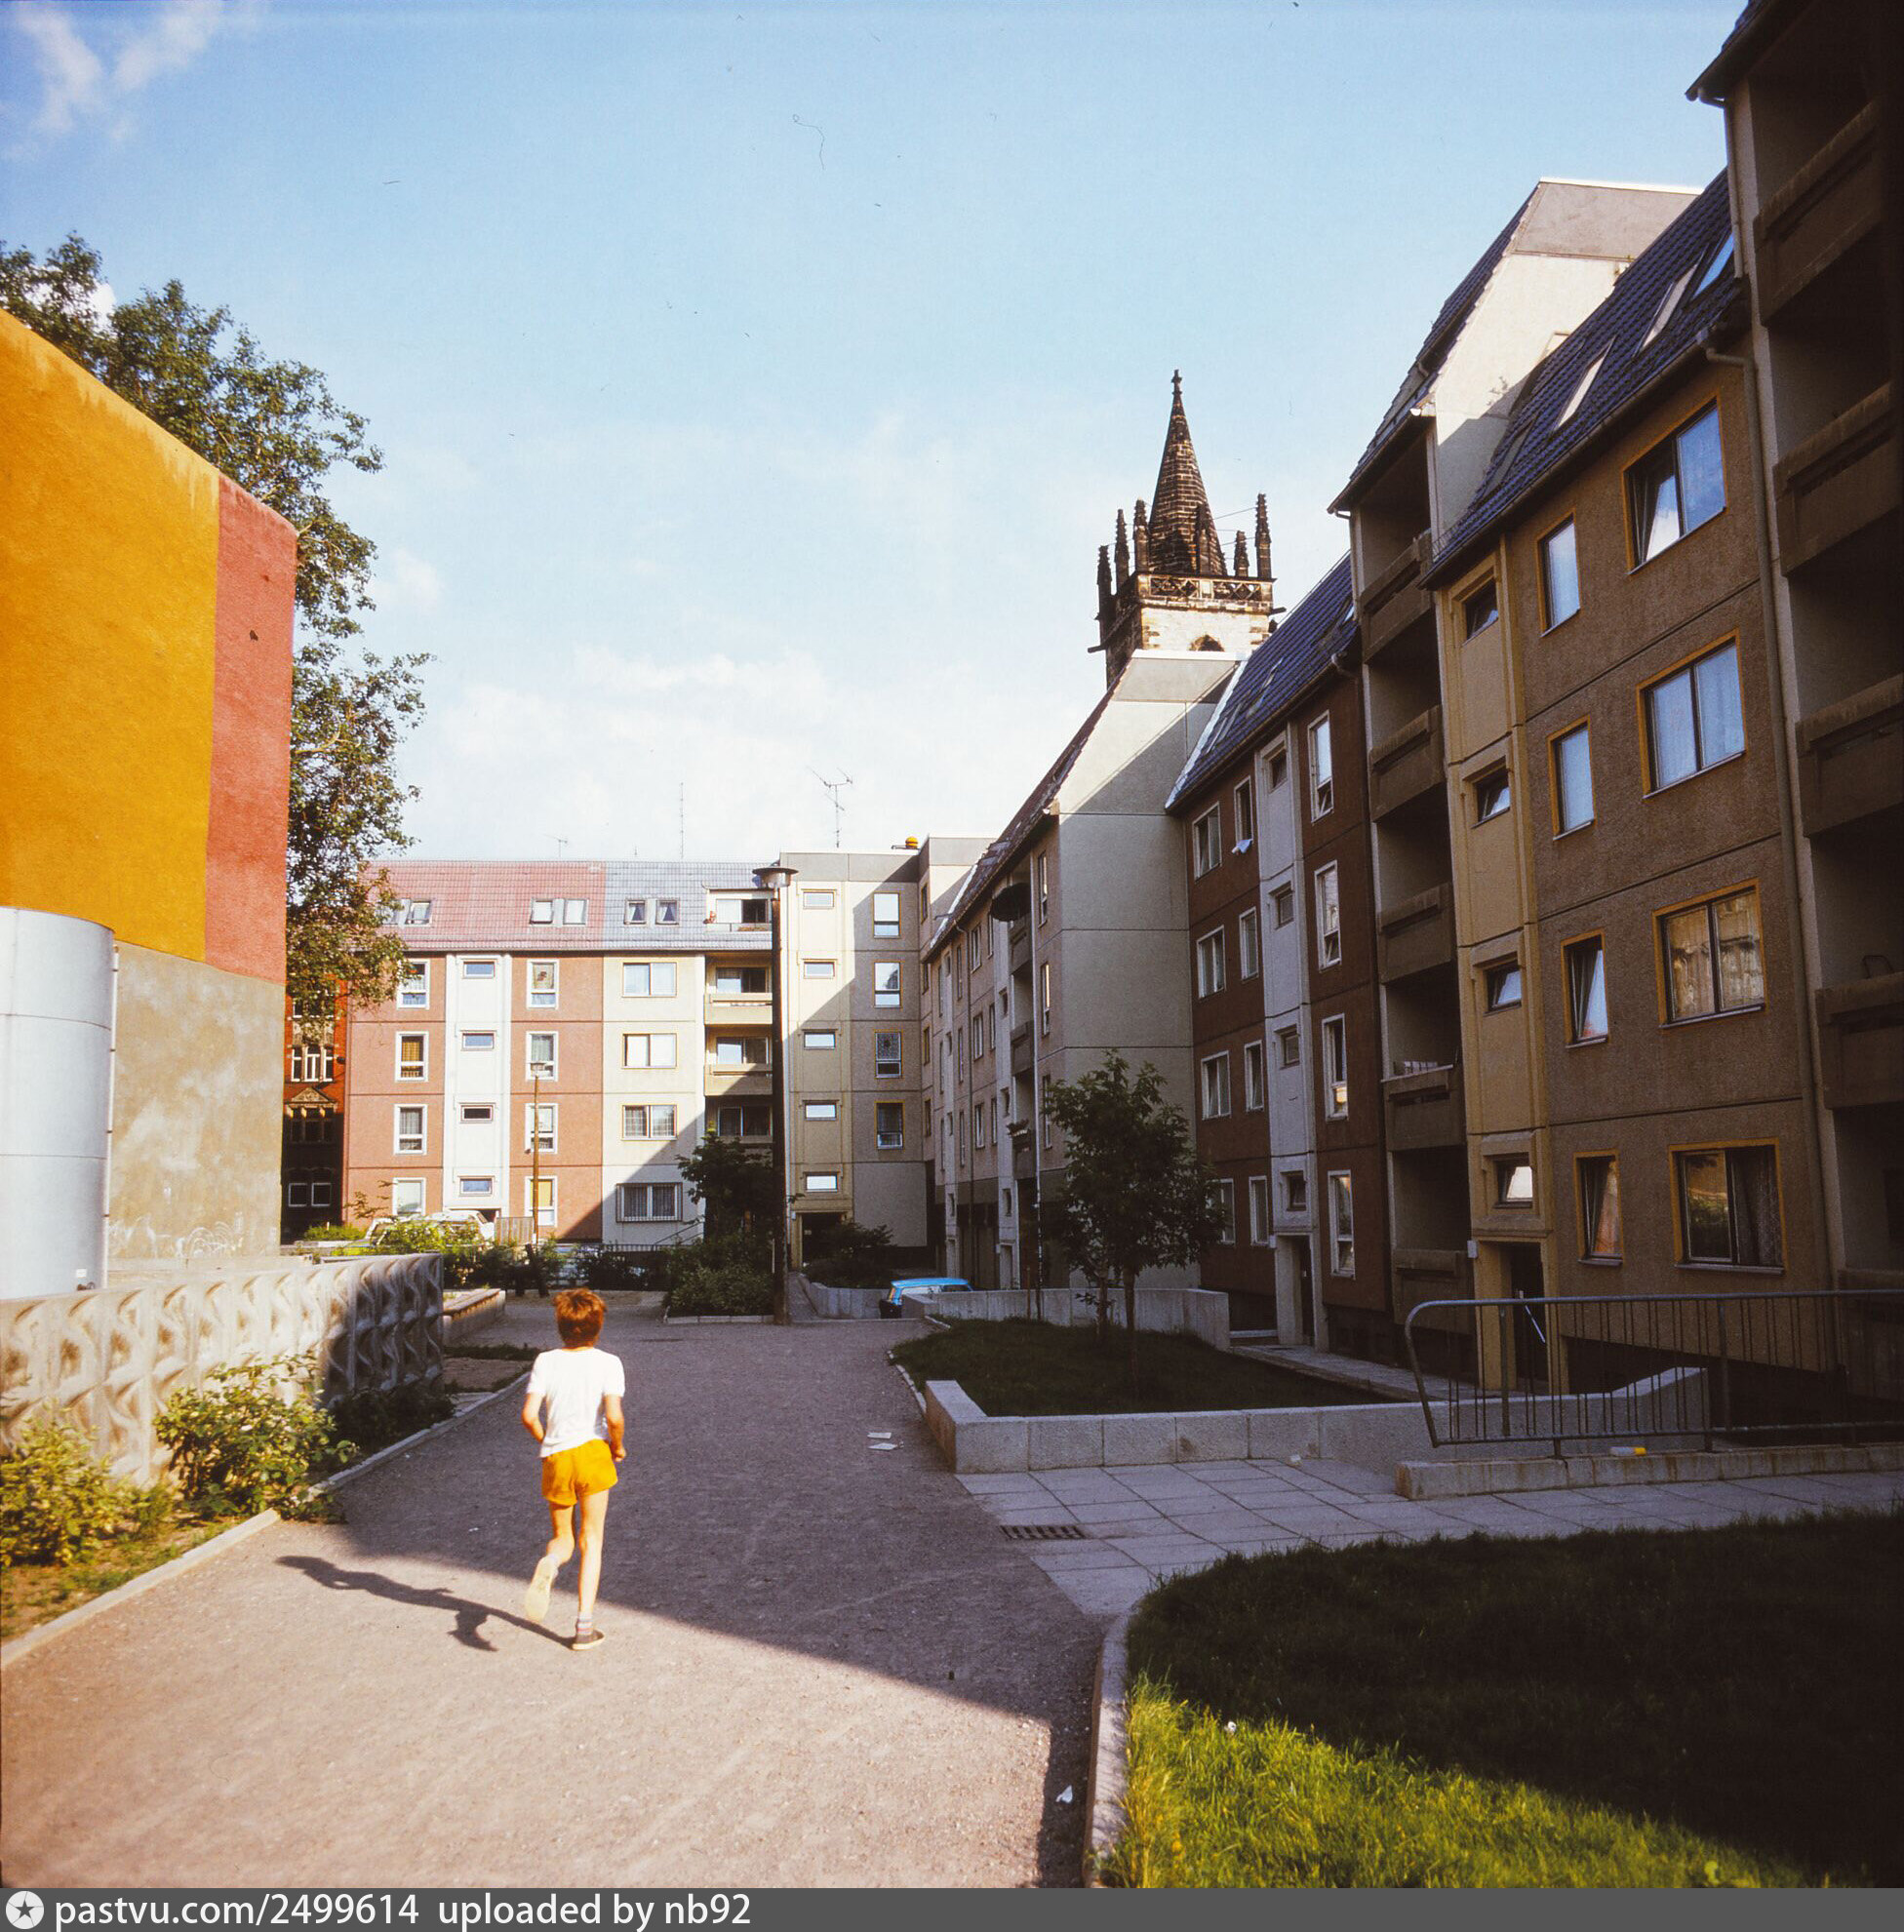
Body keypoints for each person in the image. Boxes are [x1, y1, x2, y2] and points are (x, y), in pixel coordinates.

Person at [521, 1288, 625, 1650]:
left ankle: (551, 1562)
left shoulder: (545, 1361)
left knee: (563, 1538)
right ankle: (584, 1627)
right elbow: (614, 1417)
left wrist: (547, 1440)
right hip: (593, 1453)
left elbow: (529, 1415)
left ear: (560, 1325)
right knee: (591, 1540)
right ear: (598, 1325)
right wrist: (618, 1446)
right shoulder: (609, 1363)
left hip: (557, 1456)